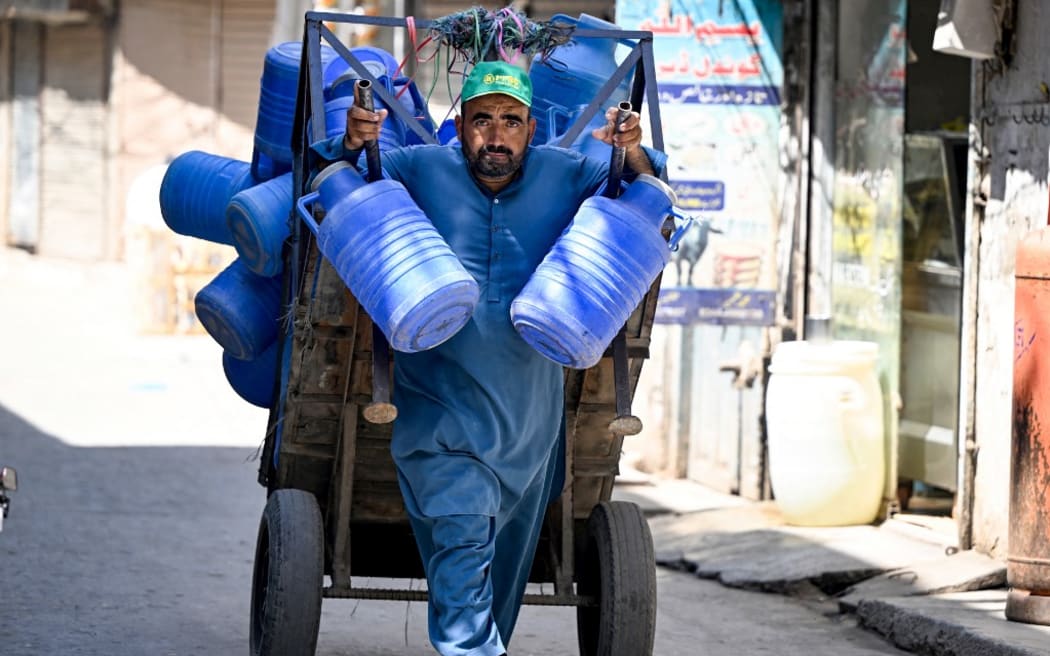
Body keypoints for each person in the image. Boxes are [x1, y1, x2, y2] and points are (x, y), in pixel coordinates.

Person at [310, 60, 667, 656]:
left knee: (501, 581)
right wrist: (351, 140)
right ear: (461, 125)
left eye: (510, 121)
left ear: (531, 127)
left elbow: (643, 192)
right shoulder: (421, 168)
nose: (495, 135)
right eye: (481, 120)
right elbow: (334, 177)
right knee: (462, 530)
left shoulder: (565, 172)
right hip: (438, 413)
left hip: (530, 420)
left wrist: (631, 152)